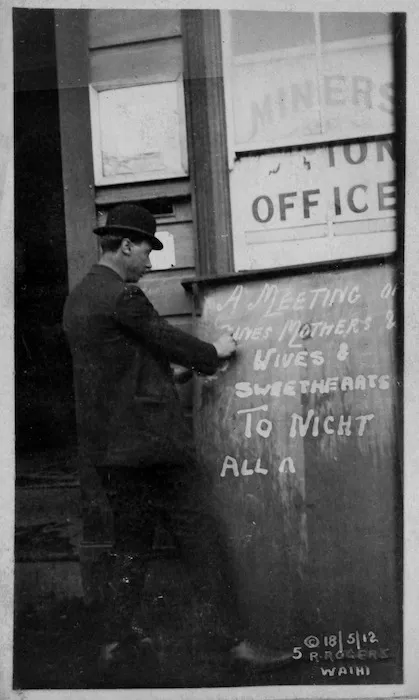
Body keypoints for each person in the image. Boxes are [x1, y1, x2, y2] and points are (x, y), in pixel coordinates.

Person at [63, 203, 294, 677]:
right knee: (202, 538)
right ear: (126, 245)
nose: (150, 260)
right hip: (156, 448)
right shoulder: (123, 296)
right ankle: (231, 645)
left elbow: (125, 369)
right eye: (147, 249)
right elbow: (166, 337)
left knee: (130, 544)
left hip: (113, 450)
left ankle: (113, 642)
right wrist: (214, 353)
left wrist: (179, 373)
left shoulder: (79, 298)